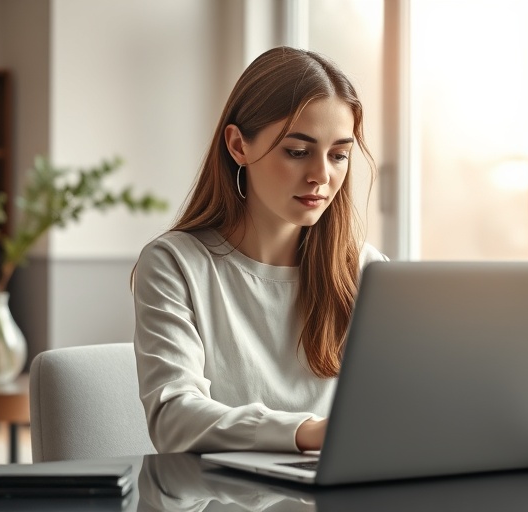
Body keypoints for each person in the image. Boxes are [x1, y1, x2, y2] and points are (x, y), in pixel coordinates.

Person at [131, 46, 388, 455]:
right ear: (238, 146)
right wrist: (306, 432)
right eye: (298, 152)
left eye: (339, 155)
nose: (321, 175)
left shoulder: (366, 271)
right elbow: (173, 418)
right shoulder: (175, 264)